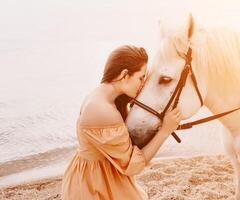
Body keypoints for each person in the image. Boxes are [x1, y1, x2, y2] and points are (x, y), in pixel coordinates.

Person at [61, 45, 182, 200]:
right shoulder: (102, 110)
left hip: (103, 174)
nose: (143, 84)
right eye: (141, 77)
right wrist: (165, 130)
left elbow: (128, 145)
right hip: (93, 185)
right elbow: (134, 165)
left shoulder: (106, 96)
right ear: (125, 75)